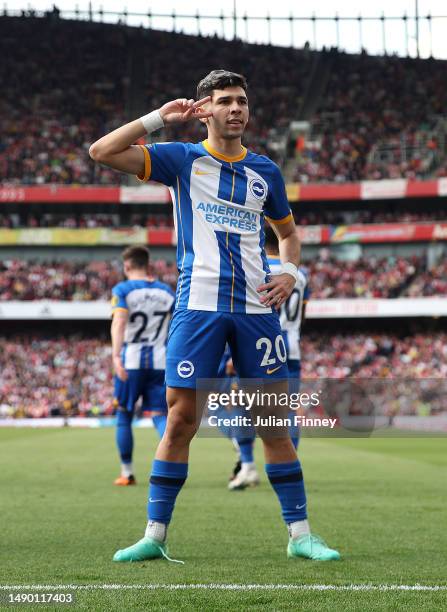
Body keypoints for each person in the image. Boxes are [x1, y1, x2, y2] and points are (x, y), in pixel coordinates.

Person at [90, 69, 340, 561]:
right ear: (205, 109)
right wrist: (159, 118)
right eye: (225, 100)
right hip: (197, 306)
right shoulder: (181, 159)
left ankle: (302, 536)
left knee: (273, 423)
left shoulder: (265, 171)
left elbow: (289, 234)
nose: (236, 109)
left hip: (255, 308)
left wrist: (289, 271)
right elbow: (101, 152)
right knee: (181, 419)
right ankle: (154, 536)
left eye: (242, 101)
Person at [222, 225, 310, 490]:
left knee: (240, 406)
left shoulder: (254, 268)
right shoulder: (300, 276)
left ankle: (247, 465)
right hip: (290, 346)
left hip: (257, 345)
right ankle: (288, 468)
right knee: (287, 410)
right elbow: (301, 315)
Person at [111, 245, 175, 485]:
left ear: (127, 267)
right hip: (160, 361)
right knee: (160, 416)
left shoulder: (123, 289)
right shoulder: (166, 292)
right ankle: (168, 468)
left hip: (132, 361)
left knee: (124, 415)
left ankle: (127, 473)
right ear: (148, 265)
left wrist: (116, 356)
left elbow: (119, 322)